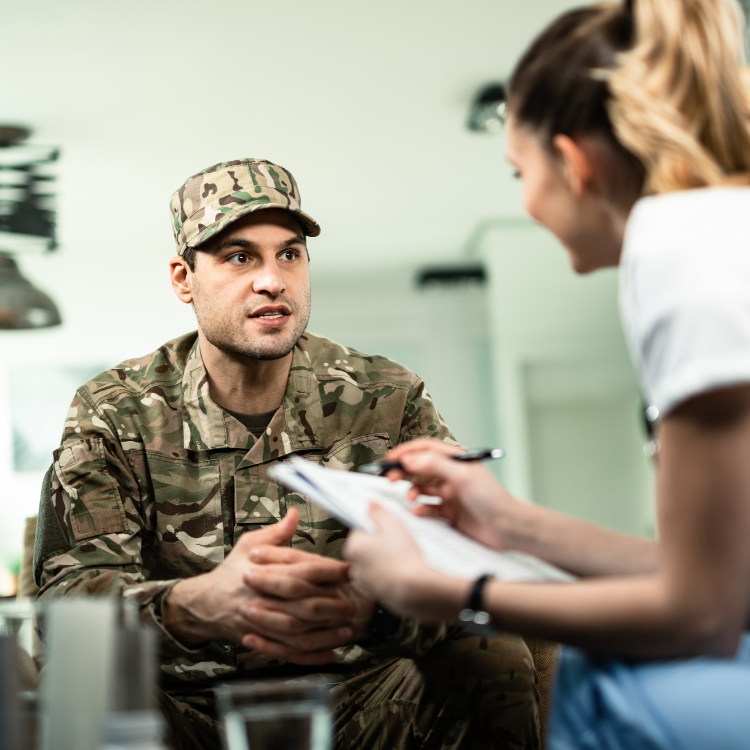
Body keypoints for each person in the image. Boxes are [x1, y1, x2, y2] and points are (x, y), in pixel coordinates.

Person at [343, 1, 750, 748]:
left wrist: (434, 590)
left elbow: (703, 613)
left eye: (519, 172)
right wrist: (510, 523)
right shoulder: (719, 227)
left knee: (604, 675)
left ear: (574, 162)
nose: (525, 201)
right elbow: (724, 578)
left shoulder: (680, 248)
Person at [33, 159, 540, 749]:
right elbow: (69, 611)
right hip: (181, 712)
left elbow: (460, 561)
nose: (272, 280)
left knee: (491, 654)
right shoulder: (113, 410)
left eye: (290, 254)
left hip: (363, 701)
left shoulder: (385, 396)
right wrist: (196, 605)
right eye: (240, 256)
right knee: (80, 687)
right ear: (183, 279)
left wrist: (371, 609)